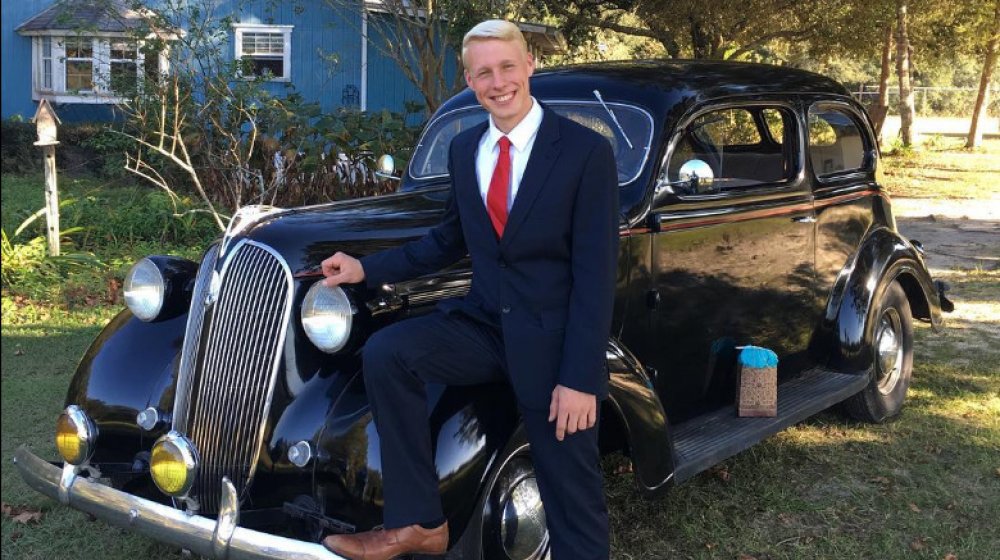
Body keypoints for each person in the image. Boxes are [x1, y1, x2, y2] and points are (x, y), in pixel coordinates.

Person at [320, 19, 618, 560]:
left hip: (552, 344)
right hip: (484, 326)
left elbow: (596, 275)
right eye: (483, 73)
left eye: (507, 66)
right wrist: (365, 269)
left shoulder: (584, 152)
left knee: (571, 497)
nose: (498, 82)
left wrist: (579, 378)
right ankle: (418, 522)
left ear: (530, 65)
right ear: (469, 80)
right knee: (390, 351)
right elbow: (447, 241)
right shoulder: (465, 151)